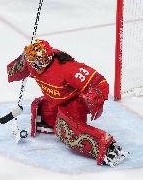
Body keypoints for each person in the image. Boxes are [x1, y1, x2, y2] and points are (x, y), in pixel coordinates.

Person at [7, 39, 129, 167]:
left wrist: (94, 97)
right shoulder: (32, 60)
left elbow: (99, 82)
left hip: (73, 102)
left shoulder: (67, 69)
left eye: (38, 62)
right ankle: (51, 122)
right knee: (42, 110)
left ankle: (109, 148)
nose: (35, 67)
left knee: (68, 132)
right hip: (55, 99)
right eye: (32, 63)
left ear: (48, 58)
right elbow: (13, 70)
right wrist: (17, 68)